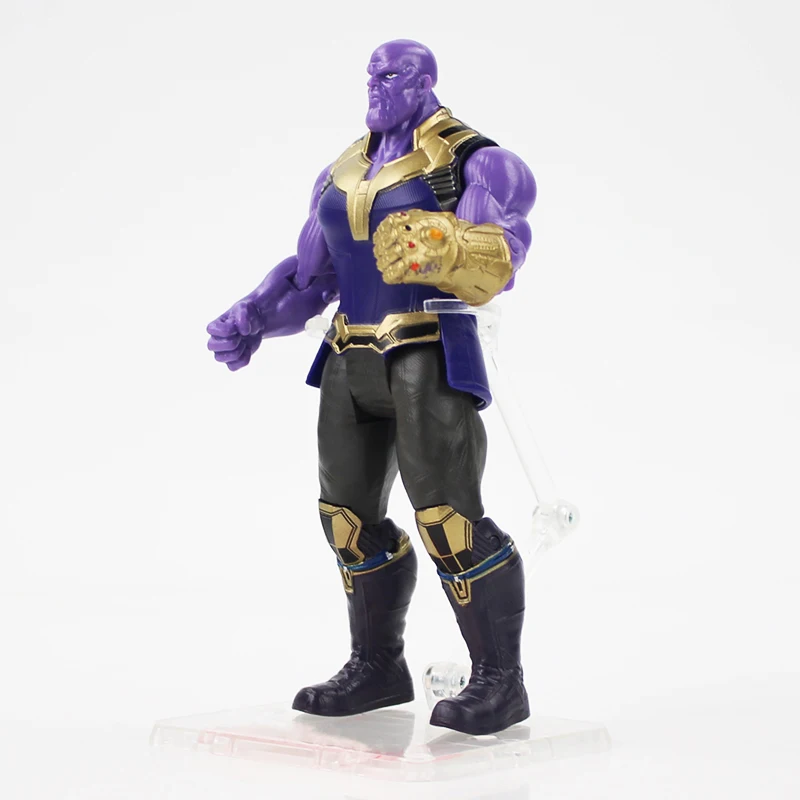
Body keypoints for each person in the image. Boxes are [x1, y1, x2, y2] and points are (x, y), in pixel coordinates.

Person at [206, 39, 537, 736]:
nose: (377, 84)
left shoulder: (475, 162)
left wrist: (449, 246)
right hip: (347, 355)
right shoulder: (343, 171)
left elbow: (503, 257)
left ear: (424, 82)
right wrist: (254, 315)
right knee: (346, 521)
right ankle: (377, 666)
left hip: (428, 353)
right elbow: (310, 277)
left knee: (450, 522)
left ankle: (501, 681)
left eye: (392, 74)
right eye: (371, 74)